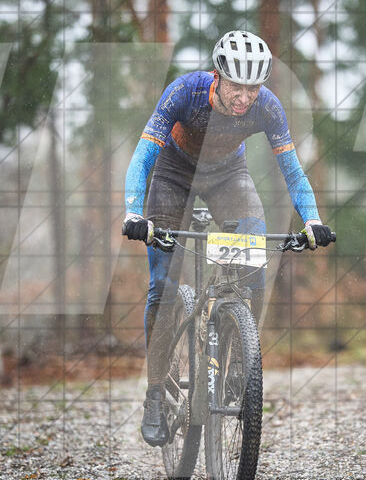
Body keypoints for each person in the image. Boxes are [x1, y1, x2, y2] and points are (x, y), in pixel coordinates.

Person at [122, 30, 333, 446]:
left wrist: (312, 219)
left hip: (227, 176)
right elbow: (144, 153)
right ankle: (153, 392)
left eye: (253, 88)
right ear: (218, 76)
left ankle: (239, 358)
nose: (244, 97)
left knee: (254, 245)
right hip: (173, 175)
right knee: (163, 288)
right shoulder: (185, 91)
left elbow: (292, 169)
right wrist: (133, 211)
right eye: (236, 86)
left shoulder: (267, 108)